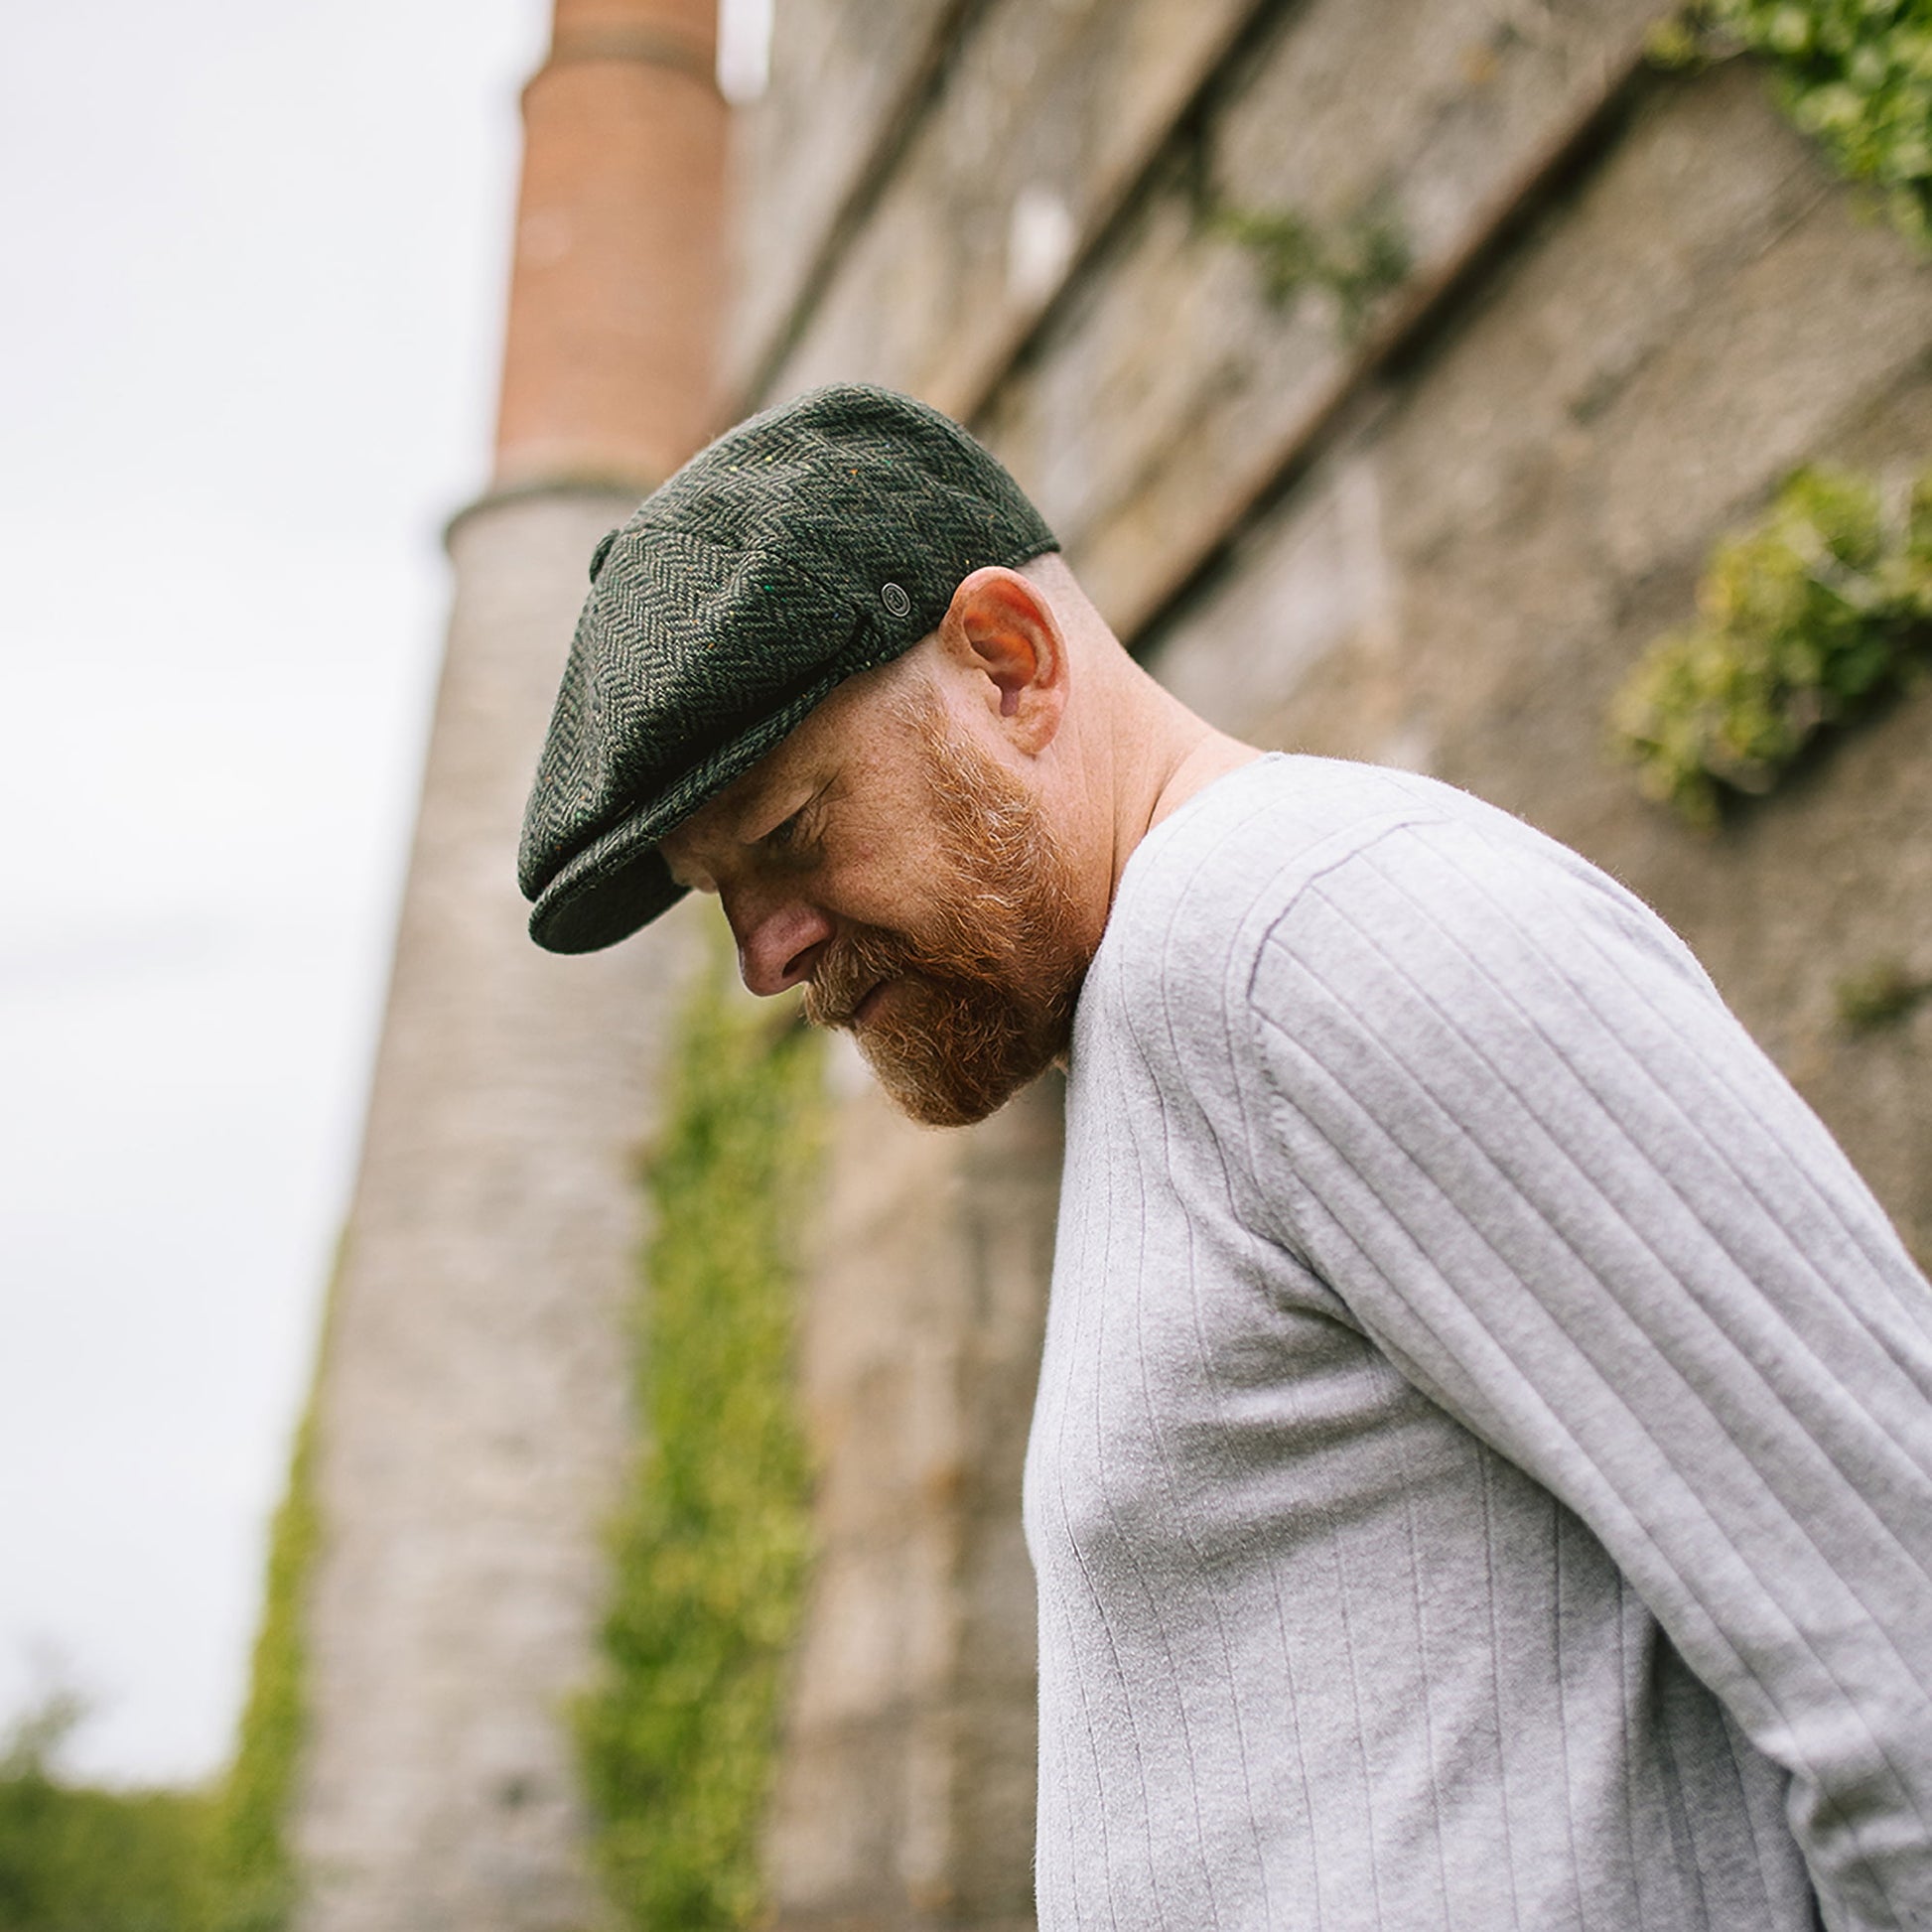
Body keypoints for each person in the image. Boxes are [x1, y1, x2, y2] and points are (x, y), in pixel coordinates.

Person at [519, 382, 1932, 1930]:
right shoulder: (1177, 1001)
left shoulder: (1306, 933)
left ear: (1008, 663)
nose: (762, 956)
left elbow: (1902, 1634)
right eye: (719, 894)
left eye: (788, 833)